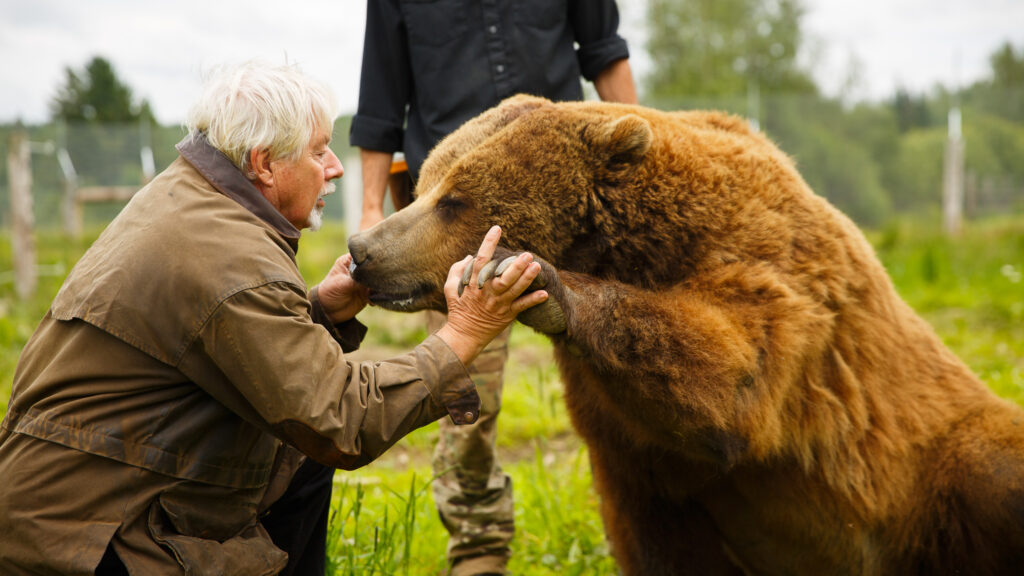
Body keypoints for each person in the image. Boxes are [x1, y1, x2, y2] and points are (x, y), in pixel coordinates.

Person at [0, 61, 547, 576]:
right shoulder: (233, 259)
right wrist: (464, 333)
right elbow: (341, 422)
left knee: (297, 458)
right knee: (310, 444)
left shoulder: (189, 197)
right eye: (319, 152)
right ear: (263, 162)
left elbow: (217, 342)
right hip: (87, 541)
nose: (335, 167)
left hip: (78, 498)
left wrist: (320, 312)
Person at [349, 2, 638, 574]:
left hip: (568, 210)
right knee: (463, 395)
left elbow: (605, 53)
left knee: (620, 380)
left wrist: (645, 153)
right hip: (448, 223)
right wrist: (368, 207)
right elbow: (382, 99)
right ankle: (478, 548)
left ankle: (637, 523)